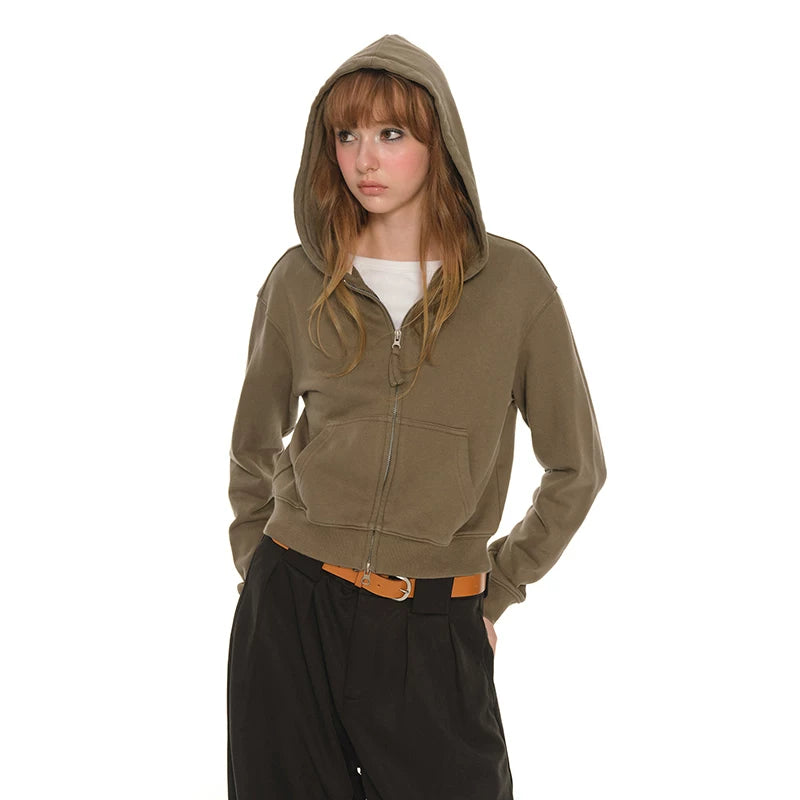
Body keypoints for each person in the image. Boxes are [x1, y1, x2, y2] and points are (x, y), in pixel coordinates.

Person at [226, 33, 606, 800]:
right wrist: (257, 567)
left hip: (434, 623)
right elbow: (252, 445)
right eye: (347, 135)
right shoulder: (299, 280)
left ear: (441, 142)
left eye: (392, 133)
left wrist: (497, 589)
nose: (365, 159)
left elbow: (577, 469)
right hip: (293, 611)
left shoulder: (514, 286)